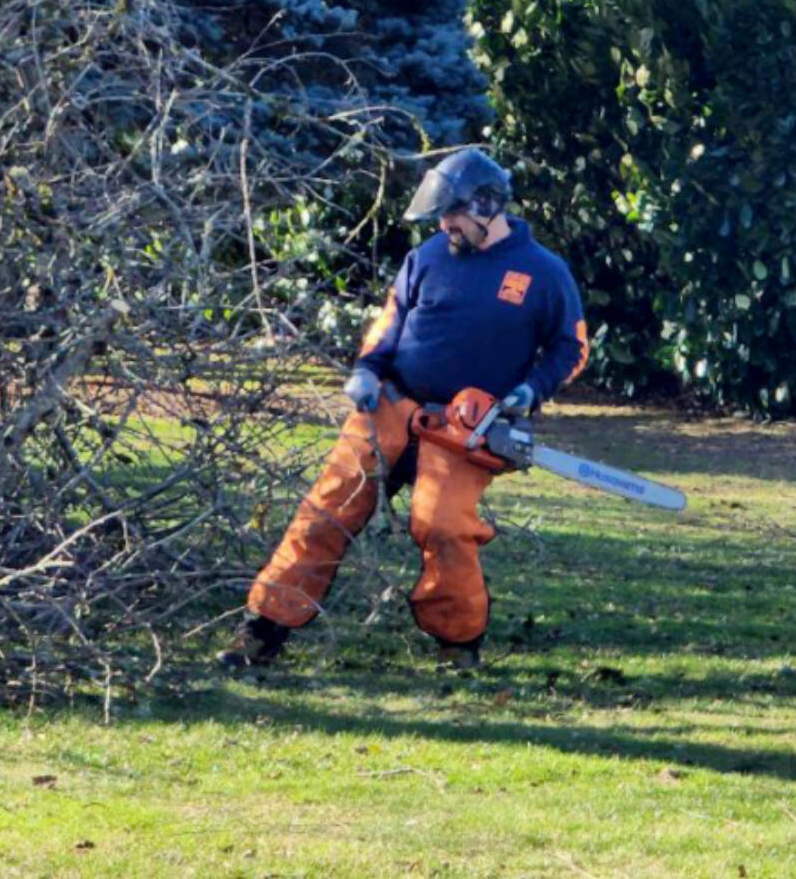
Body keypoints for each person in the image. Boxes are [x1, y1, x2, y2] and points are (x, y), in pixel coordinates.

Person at [220, 147, 589, 671]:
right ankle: (261, 631)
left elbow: (571, 349)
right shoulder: (427, 258)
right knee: (326, 511)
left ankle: (458, 646)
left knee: (443, 526)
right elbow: (389, 323)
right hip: (390, 406)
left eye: (453, 214)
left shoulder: (543, 272)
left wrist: (532, 390)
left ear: (487, 206)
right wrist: (368, 367)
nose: (445, 225)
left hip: (466, 428)